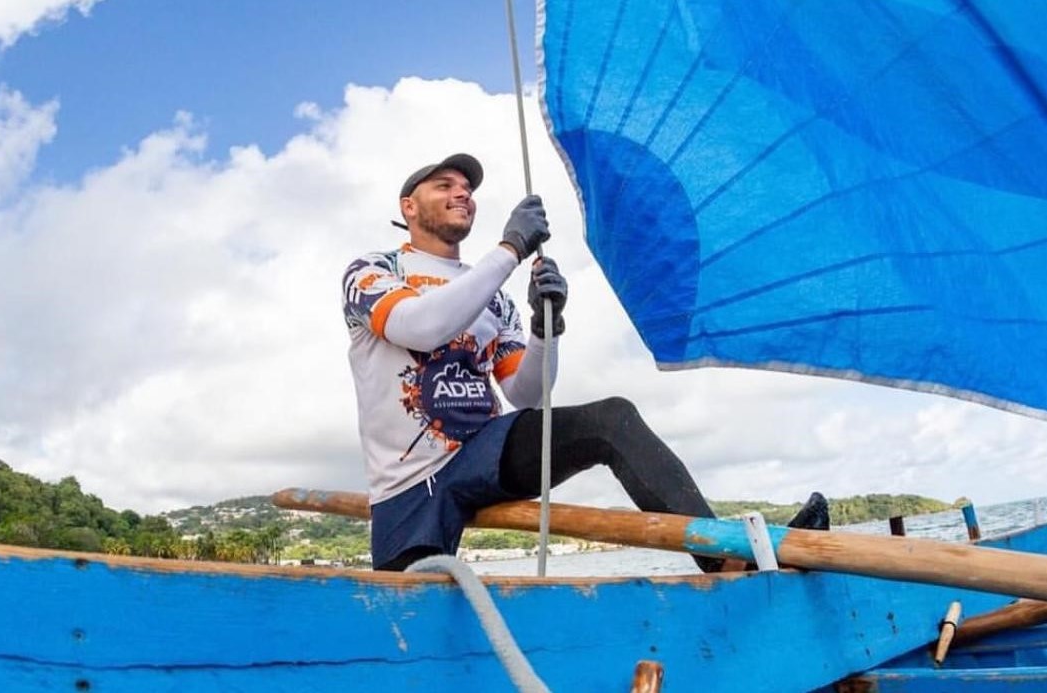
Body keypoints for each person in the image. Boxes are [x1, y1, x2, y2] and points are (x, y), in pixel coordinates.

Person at [340, 153, 827, 572]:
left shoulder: (493, 298)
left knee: (611, 419)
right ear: (408, 206)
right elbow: (421, 326)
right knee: (414, 627)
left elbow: (528, 394)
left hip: (481, 453)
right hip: (408, 482)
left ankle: (727, 556)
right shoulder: (373, 270)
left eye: (467, 189)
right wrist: (510, 250)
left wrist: (543, 327)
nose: (462, 194)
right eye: (444, 185)